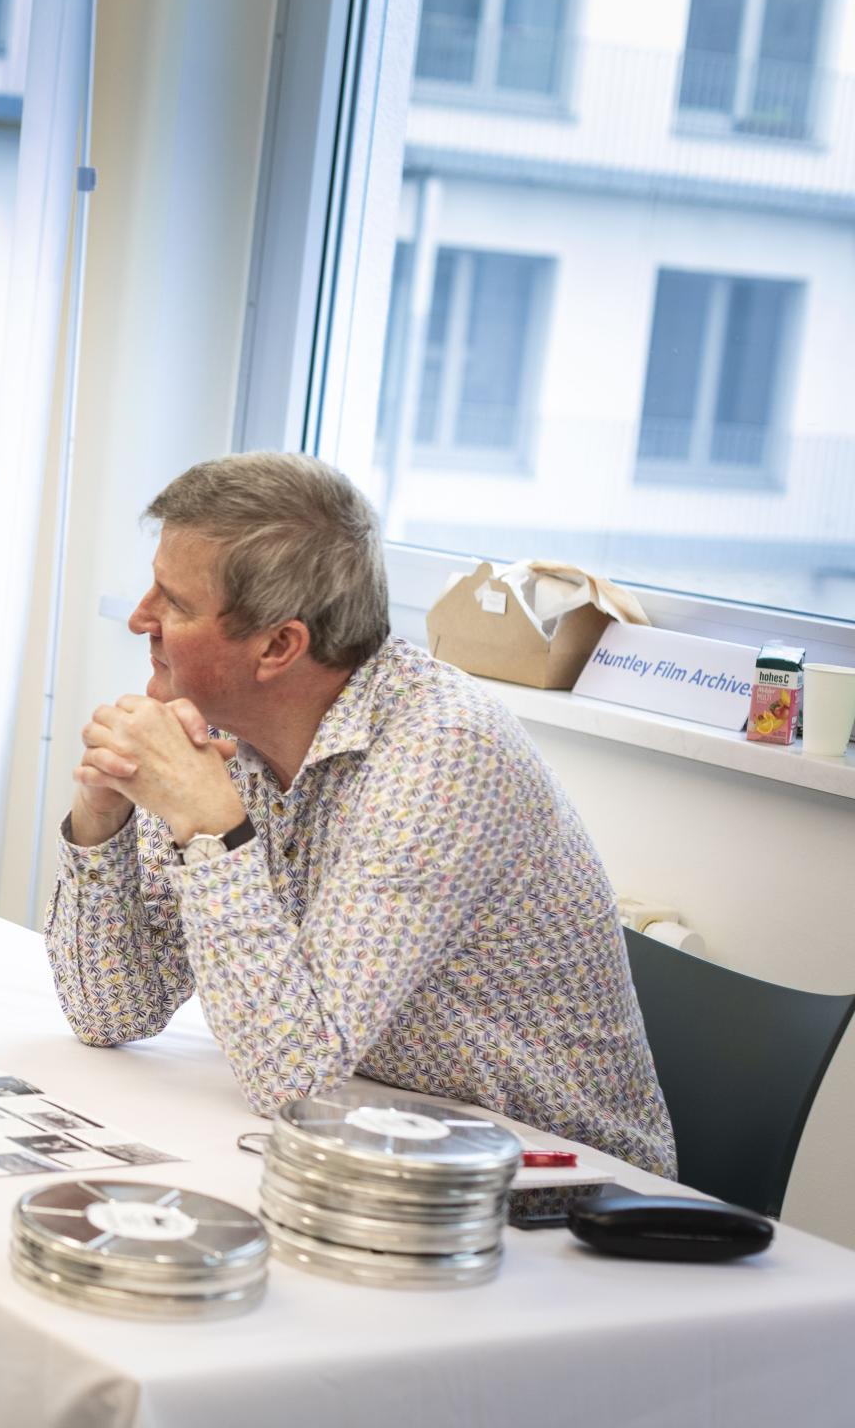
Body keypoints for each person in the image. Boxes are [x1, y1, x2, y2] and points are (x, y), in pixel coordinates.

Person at [47, 452, 676, 1174]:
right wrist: (102, 819)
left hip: (556, 1186)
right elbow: (111, 1011)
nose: (139, 619)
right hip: (384, 1140)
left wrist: (212, 828)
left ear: (280, 646)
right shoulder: (226, 735)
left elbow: (289, 1076)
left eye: (175, 603)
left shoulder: (442, 755)